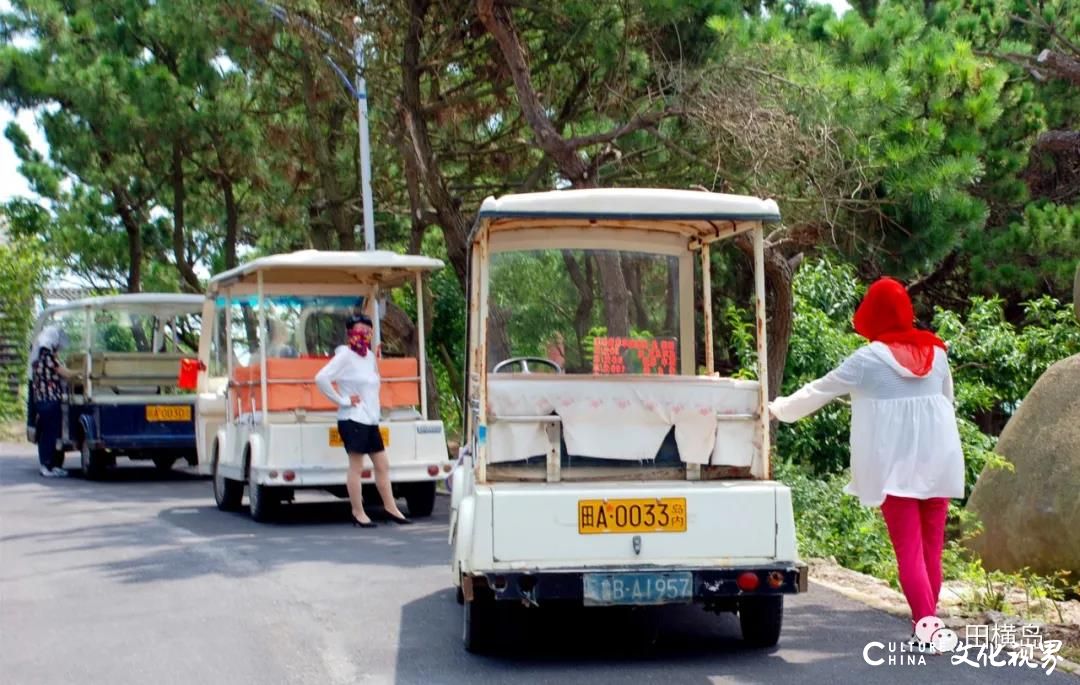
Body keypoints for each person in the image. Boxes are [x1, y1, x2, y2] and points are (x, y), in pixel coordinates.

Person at [769, 277, 964, 646]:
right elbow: (946, 404)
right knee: (931, 551)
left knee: (909, 552)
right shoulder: (937, 354)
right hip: (938, 461)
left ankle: (928, 626)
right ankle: (927, 625)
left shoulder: (868, 360)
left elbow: (818, 391)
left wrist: (778, 409)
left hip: (894, 468)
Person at [315, 314, 412, 528]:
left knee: (382, 464)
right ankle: (358, 512)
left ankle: (390, 508)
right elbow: (321, 378)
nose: (364, 334)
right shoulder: (345, 356)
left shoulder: (369, 357)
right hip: (352, 418)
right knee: (357, 466)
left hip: (370, 419)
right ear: (350, 332)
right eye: (359, 330)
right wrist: (341, 400)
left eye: (368, 330)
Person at [30, 326, 78, 478]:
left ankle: (52, 465)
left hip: (41, 401)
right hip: (50, 400)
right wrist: (82, 372)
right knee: (51, 434)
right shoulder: (49, 358)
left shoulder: (38, 357)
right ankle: (47, 465)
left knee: (47, 434)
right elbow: (65, 373)